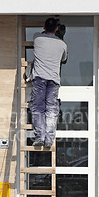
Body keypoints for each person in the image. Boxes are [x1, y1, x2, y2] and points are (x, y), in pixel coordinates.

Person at [29, 18, 68, 147]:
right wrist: (59, 36)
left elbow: (42, 33)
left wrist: (48, 31)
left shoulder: (37, 38)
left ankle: (39, 137)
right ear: (57, 29)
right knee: (51, 109)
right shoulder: (62, 45)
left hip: (39, 78)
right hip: (54, 80)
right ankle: (49, 140)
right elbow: (64, 59)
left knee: (38, 108)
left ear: (44, 27)